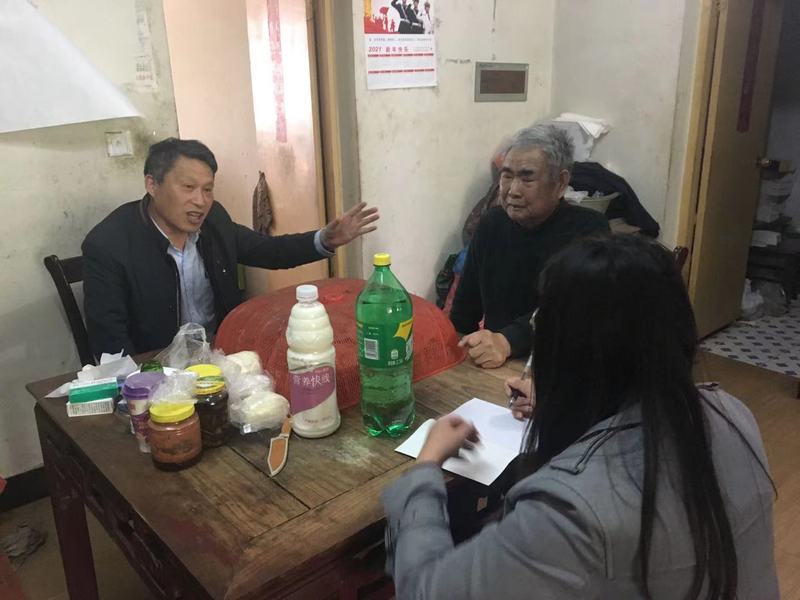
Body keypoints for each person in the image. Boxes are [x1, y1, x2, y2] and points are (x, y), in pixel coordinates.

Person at [383, 235, 778, 599]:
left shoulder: (569, 513)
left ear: (567, 352)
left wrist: (425, 469)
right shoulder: (731, 414)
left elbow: (424, 591)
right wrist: (574, 406)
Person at [82, 138, 378, 357]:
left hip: (223, 355)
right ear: (152, 184)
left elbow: (268, 251)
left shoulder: (214, 220)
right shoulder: (108, 245)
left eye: (208, 189)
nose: (201, 201)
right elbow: (110, 344)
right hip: (157, 373)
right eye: (188, 188)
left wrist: (325, 240)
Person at [451, 123, 609, 368]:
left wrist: (508, 341)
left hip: (560, 366)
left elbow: (572, 311)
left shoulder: (589, 231)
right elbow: (464, 312)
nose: (512, 191)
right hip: (496, 364)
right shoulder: (492, 224)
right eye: (507, 175)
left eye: (527, 178)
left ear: (560, 183)